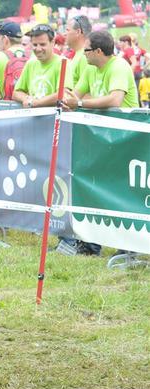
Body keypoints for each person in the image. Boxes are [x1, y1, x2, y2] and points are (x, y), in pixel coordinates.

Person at [61, 30, 139, 256]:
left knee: (121, 193)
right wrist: (68, 100)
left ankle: (127, 247)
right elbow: (74, 96)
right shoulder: (89, 68)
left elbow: (115, 99)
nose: (82, 54)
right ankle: (90, 243)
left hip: (125, 140)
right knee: (93, 188)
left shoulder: (119, 66)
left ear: (97, 51)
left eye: (85, 50)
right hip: (99, 139)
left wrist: (80, 104)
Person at [12, 24, 73, 109]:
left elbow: (63, 94)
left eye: (42, 44)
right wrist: (26, 99)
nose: (38, 49)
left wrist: (36, 103)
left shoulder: (63, 63)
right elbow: (16, 93)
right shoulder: (31, 63)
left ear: (53, 43)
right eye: (35, 45)